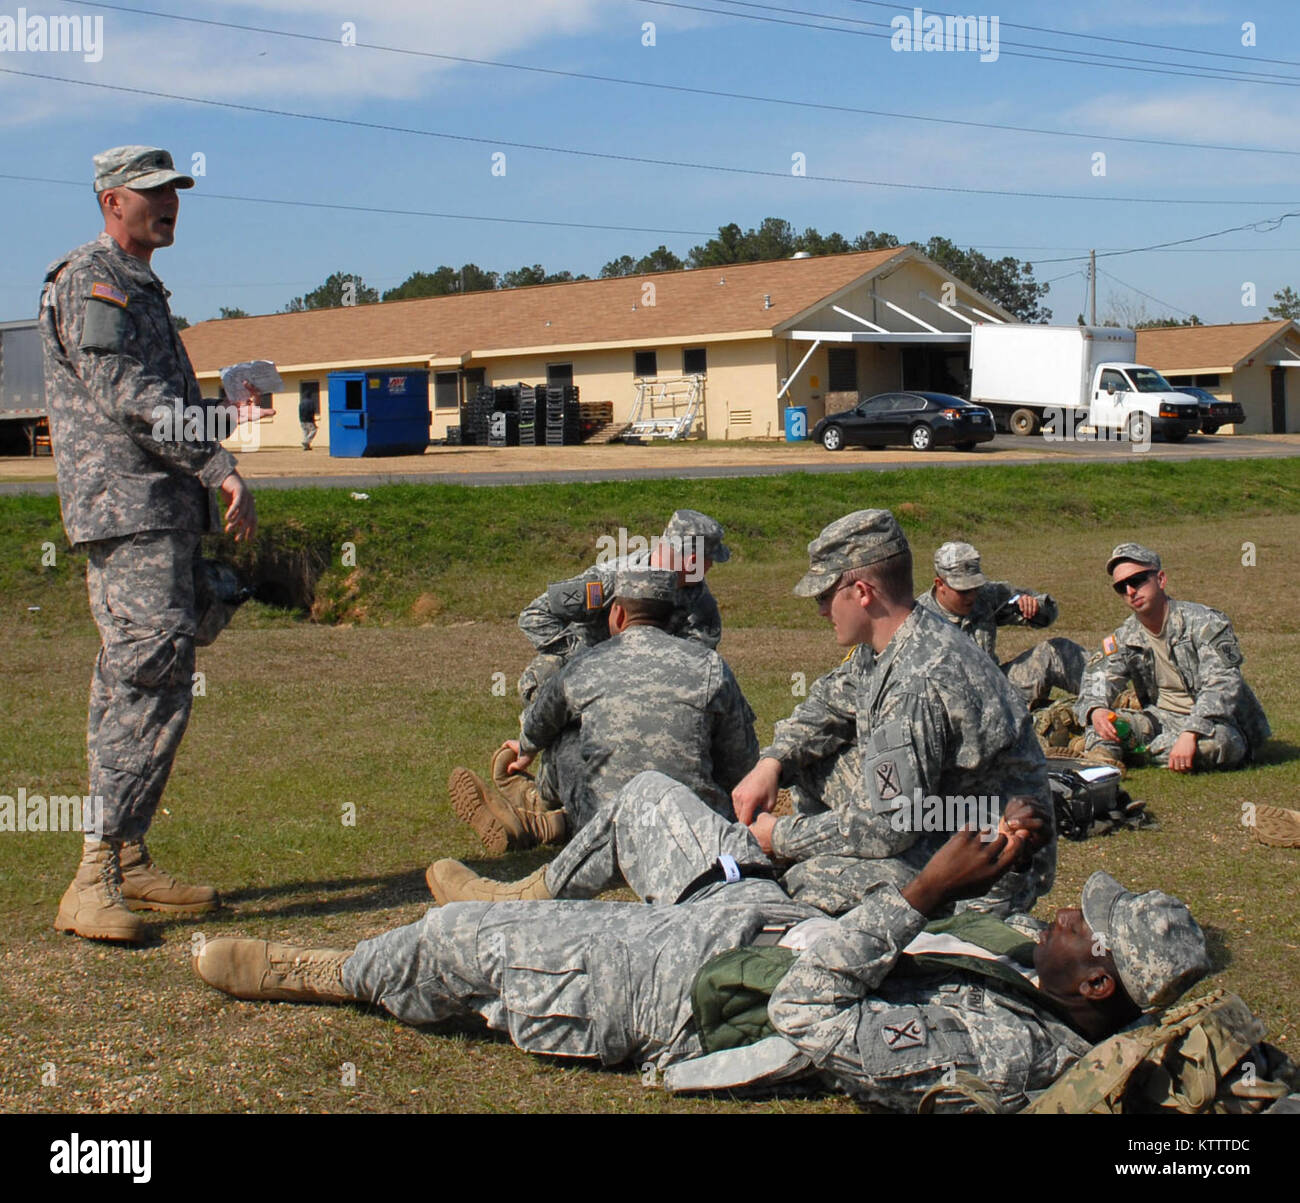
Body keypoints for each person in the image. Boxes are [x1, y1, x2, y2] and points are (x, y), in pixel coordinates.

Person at [192, 772, 1210, 1114]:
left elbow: (810, 1014)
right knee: (644, 796)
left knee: (455, 941)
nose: (1066, 913)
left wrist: (920, 892)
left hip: (691, 986)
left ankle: (332, 976)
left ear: (1098, 982)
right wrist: (1004, 843)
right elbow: (985, 903)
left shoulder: (1002, 1058)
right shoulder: (1040, 960)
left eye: (1085, 925)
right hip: (751, 905)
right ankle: (537, 880)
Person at [39, 145, 258, 944]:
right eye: (152, 193)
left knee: (159, 672)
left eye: (175, 192)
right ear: (110, 200)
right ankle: (92, 874)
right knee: (143, 675)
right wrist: (214, 460)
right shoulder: (91, 281)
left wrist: (226, 415)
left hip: (160, 509)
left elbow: (160, 399)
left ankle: (126, 855)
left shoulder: (142, 288)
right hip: (127, 511)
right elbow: (127, 395)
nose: (168, 204)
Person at [732, 510, 1055, 919]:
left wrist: (779, 837)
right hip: (942, 817)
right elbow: (827, 703)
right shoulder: (893, 641)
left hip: (986, 865)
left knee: (807, 880)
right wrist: (772, 763)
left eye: (824, 596)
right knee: (814, 759)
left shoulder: (916, 681)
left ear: (862, 592)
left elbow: (889, 826)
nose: (820, 611)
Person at [430, 567, 759, 900]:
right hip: (695, 826)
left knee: (567, 737)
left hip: (605, 831)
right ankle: (541, 823)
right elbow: (742, 763)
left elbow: (542, 720)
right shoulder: (711, 667)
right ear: (673, 616)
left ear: (617, 612)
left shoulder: (587, 663)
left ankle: (540, 805)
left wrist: (526, 748)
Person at [1076, 543, 1270, 772]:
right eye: (1121, 587)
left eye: (1137, 581)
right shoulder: (1126, 636)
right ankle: (1107, 750)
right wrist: (1095, 709)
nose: (1130, 591)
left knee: (1216, 745)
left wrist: (1191, 732)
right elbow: (1098, 676)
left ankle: (1116, 751)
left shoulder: (1206, 623)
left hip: (1217, 722)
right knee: (1105, 723)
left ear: (1160, 579)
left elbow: (1223, 683)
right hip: (1160, 718)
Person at [515, 508, 727, 703]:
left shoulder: (699, 602)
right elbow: (536, 615)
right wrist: (585, 659)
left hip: (651, 683)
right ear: (692, 561)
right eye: (710, 560)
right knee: (548, 672)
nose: (711, 567)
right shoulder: (611, 579)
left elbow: (699, 661)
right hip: (589, 674)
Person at [915, 541, 1085, 709]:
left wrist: (1033, 607)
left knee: (1056, 651)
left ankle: (1103, 695)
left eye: (975, 587)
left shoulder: (986, 595)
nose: (971, 596)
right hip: (955, 708)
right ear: (940, 584)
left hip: (998, 688)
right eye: (963, 590)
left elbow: (1048, 613)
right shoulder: (918, 620)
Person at [298, 387, 319, 451]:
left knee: (305, 432)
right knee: (314, 430)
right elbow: (312, 411)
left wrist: (301, 419)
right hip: (309, 420)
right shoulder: (311, 402)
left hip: (302, 420)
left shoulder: (301, 402)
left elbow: (300, 411)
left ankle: (306, 447)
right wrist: (313, 419)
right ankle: (306, 442)